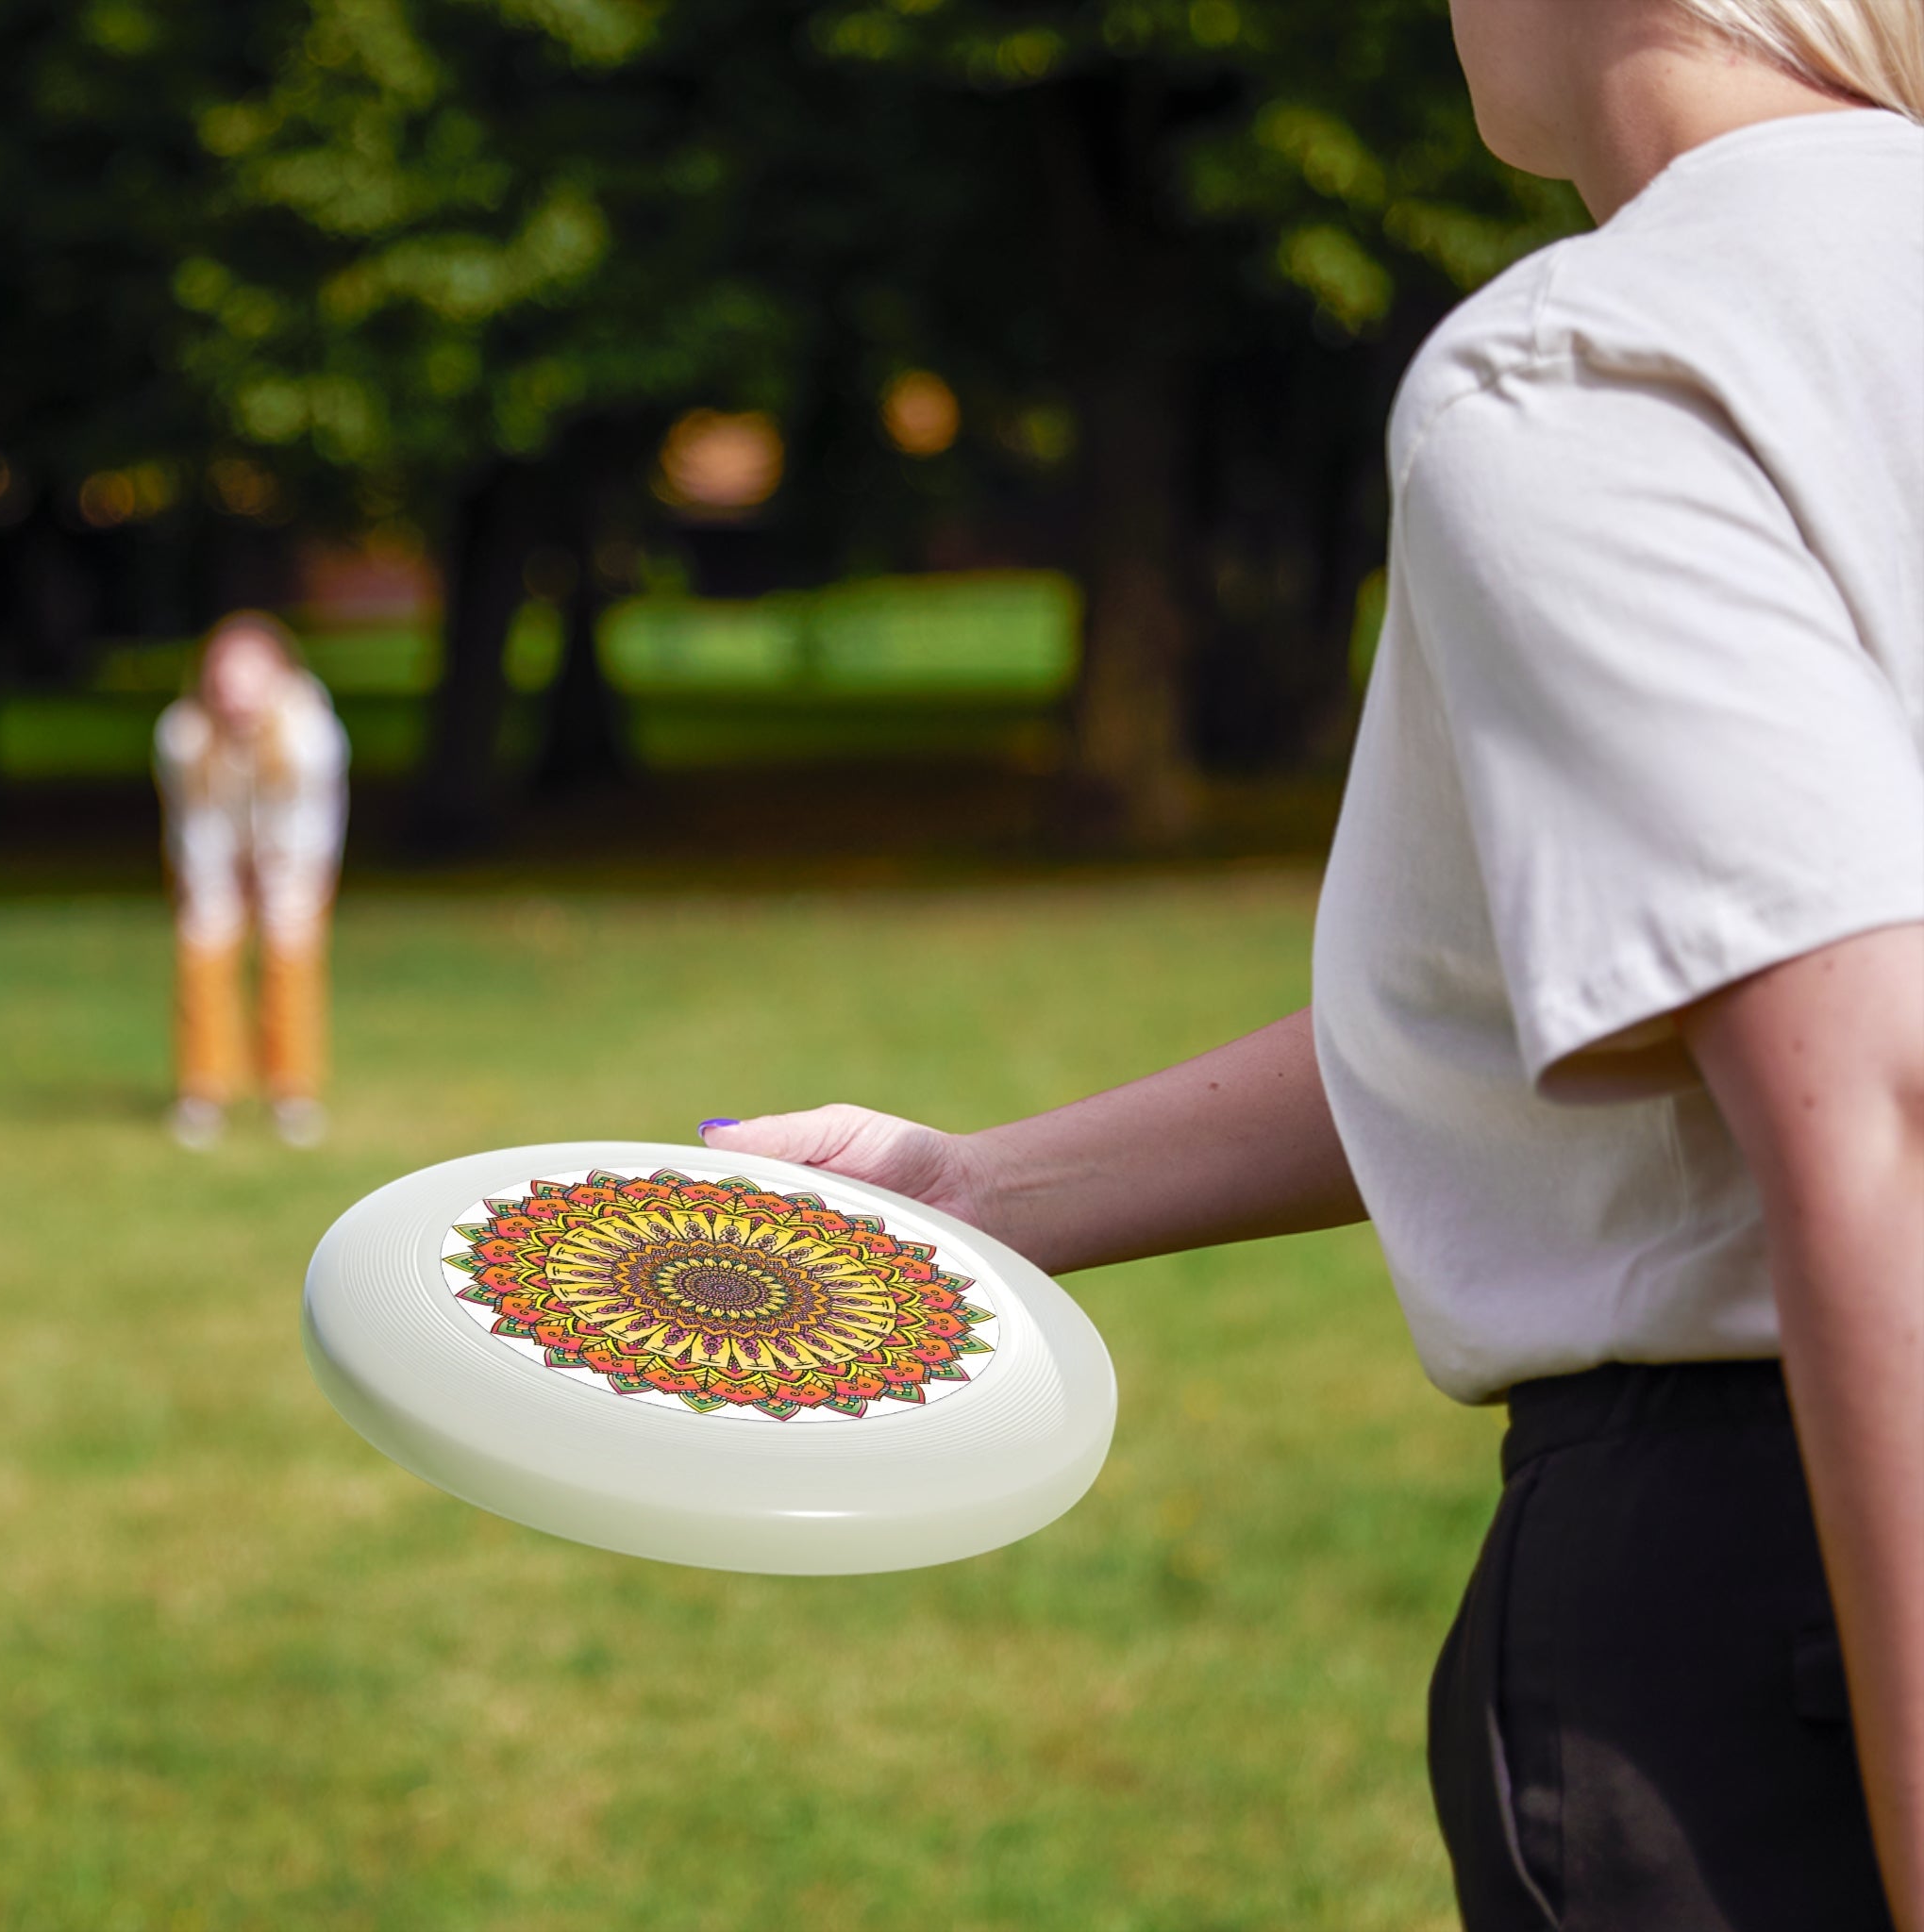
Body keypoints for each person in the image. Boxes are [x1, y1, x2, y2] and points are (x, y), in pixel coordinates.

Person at [695, 2, 1924, 1925]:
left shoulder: (1602, 362)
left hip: (1786, 1592)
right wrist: (979, 1188)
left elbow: (1877, 1101)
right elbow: (1619, 990)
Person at [155, 611, 349, 1150]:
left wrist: (279, 881)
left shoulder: (310, 733)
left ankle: (292, 1092)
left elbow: (309, 823)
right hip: (213, 857)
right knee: (203, 953)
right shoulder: (183, 735)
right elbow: (196, 823)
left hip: (293, 859)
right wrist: (216, 887)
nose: (236, 690)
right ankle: (203, 1091)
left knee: (291, 959)